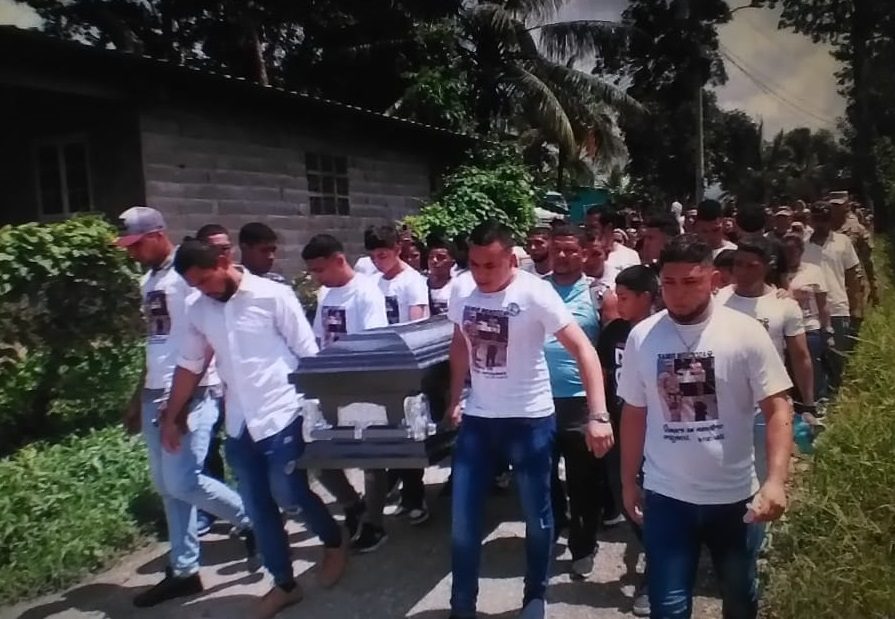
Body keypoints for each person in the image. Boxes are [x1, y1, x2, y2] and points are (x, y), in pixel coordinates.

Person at [161, 239, 348, 619]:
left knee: (289, 492)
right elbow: (190, 363)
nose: (201, 289)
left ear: (224, 260)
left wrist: (321, 413)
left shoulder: (272, 295)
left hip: (282, 411)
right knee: (258, 507)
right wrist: (171, 414)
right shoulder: (199, 308)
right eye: (193, 285)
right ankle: (284, 584)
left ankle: (333, 540)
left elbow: (307, 352)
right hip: (240, 421)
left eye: (204, 279)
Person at [619, 234, 794, 619]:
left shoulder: (745, 333)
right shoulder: (642, 336)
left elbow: (779, 406)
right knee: (667, 607)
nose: (678, 294)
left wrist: (776, 480)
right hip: (666, 498)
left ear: (714, 280)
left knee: (739, 600)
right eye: (669, 283)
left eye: (691, 282)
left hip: (734, 500)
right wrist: (628, 480)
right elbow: (634, 412)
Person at [447, 221, 613, 619]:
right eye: (474, 264)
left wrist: (599, 414)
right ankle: (462, 605)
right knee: (463, 521)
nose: (482, 274)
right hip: (480, 420)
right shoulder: (461, 290)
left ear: (511, 259)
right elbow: (459, 344)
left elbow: (584, 351)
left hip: (529, 420)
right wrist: (454, 398)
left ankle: (534, 596)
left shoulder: (535, 293)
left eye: (491, 266)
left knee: (538, 519)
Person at [116, 208, 256, 609]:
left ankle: (253, 520)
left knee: (183, 481)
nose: (132, 252)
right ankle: (184, 571)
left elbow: (207, 335)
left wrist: (187, 402)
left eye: (136, 244)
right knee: (167, 488)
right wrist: (137, 395)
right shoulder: (151, 279)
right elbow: (155, 342)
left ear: (158, 235)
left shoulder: (187, 274)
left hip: (192, 392)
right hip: (154, 392)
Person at [300, 233, 389, 548]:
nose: (316, 277)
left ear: (339, 260)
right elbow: (317, 340)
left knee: (370, 460)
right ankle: (353, 504)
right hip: (327, 388)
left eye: (320, 270)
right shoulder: (326, 294)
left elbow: (374, 344)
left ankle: (375, 524)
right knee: (317, 453)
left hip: (362, 387)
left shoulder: (366, 293)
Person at [716, 238, 813, 483]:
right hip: (723, 405)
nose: (743, 272)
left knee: (765, 474)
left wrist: (808, 403)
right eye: (738, 264)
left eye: (752, 266)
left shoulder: (784, 306)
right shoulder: (717, 301)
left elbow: (800, 357)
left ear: (767, 265)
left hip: (768, 405)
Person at [543, 226, 607, 580]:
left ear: (584, 253)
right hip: (538, 399)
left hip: (581, 402)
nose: (563, 256)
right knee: (542, 473)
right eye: (558, 250)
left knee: (584, 480)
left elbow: (613, 348)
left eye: (570, 250)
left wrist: (604, 410)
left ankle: (584, 545)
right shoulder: (535, 290)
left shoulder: (599, 294)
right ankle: (552, 527)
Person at [597, 264, 660, 618]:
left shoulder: (664, 331)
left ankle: (657, 572)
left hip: (659, 432)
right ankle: (657, 546)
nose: (617, 304)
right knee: (624, 494)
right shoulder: (613, 333)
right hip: (620, 426)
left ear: (646, 298)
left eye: (623, 298)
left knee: (655, 497)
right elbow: (605, 378)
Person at [366, 225, 431, 541]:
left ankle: (415, 496)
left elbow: (416, 324)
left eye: (384, 254)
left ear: (397, 249)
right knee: (388, 433)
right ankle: (401, 491)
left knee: (410, 434)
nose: (379, 261)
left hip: (406, 365)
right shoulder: (374, 283)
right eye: (374, 256)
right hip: (381, 365)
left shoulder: (412, 282)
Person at [191, 223, 235, 536]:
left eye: (225, 247)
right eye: (214, 248)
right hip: (205, 381)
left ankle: (248, 508)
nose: (222, 253)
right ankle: (213, 509)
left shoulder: (248, 284)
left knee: (239, 448)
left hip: (236, 383)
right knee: (206, 449)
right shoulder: (196, 291)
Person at [804, 202, 863, 394]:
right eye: (817, 218)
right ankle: (819, 400)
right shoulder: (802, 244)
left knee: (838, 357)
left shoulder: (842, 242)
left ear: (831, 220)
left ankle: (836, 399)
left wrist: (856, 307)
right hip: (811, 312)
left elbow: (853, 277)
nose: (821, 223)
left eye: (825, 219)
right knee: (815, 360)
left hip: (838, 307)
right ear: (811, 220)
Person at [783, 234, 831, 404]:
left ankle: (817, 400)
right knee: (789, 369)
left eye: (793, 251)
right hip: (785, 330)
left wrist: (827, 328)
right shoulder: (776, 273)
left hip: (809, 326)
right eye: (786, 252)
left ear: (801, 251)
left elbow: (822, 302)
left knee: (813, 366)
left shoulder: (813, 271)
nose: (790, 255)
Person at [830, 194, 879, 315]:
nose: (835, 209)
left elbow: (867, 260)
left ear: (846, 206)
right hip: (830, 282)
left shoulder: (857, 229)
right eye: (833, 205)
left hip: (853, 282)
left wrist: (874, 287)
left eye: (838, 206)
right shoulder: (823, 229)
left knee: (854, 320)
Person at [427, 234, 456, 315]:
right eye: (431, 257)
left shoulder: (457, 287)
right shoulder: (420, 286)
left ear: (452, 262)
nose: (434, 261)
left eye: (440, 257)